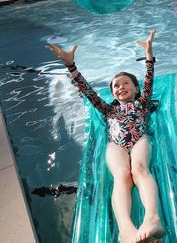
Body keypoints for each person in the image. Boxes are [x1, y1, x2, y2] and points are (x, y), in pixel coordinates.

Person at [47, 30, 165, 243]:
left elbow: (149, 79)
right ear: (112, 94)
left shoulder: (143, 102)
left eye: (125, 83)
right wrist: (70, 65)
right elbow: (87, 90)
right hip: (116, 145)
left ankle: (152, 218)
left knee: (139, 169)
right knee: (122, 176)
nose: (120, 87)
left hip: (140, 140)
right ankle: (126, 230)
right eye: (115, 86)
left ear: (136, 88)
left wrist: (149, 54)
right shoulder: (108, 110)